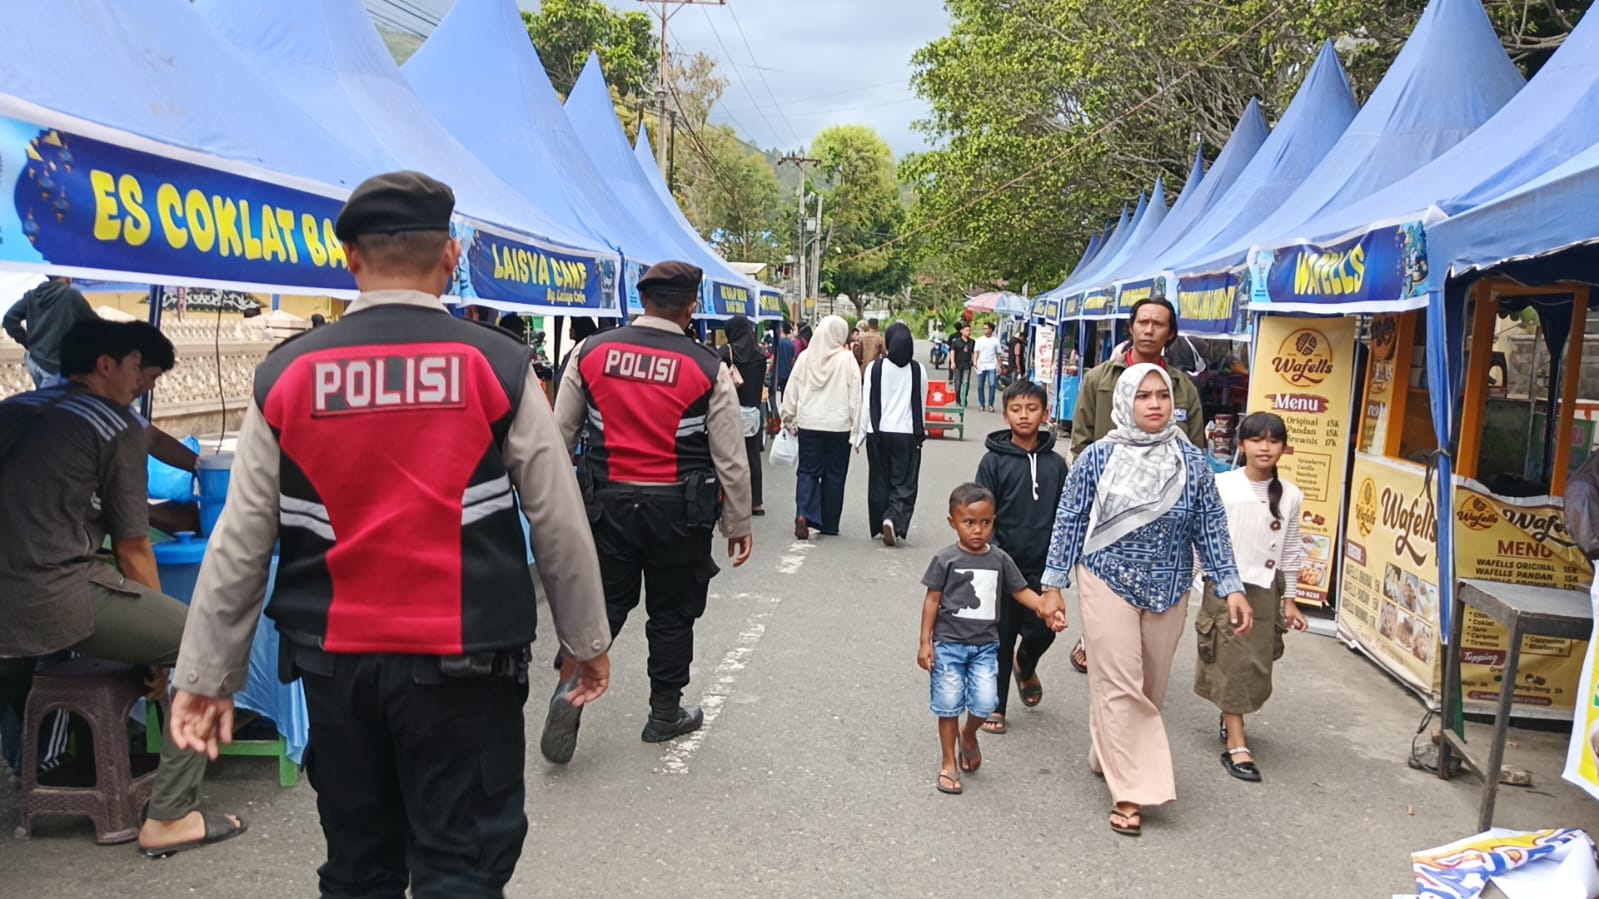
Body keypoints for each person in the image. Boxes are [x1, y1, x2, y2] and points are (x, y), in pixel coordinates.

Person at [169, 172, 614, 895]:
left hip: (335, 669)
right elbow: (557, 521)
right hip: (464, 666)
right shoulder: (496, 365)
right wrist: (586, 643)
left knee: (360, 865)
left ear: (349, 259)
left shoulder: (288, 373)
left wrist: (204, 678)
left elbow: (240, 540)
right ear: (450, 255)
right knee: (461, 866)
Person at [0, 318, 243, 857]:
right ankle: (173, 814)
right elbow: (135, 548)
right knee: (205, 644)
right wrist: (157, 657)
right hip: (49, 595)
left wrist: (199, 463)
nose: (146, 383)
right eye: (140, 369)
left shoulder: (19, 407)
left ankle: (35, 764)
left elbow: (150, 441)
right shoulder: (112, 427)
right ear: (108, 365)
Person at [554, 259, 753, 752]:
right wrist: (738, 523)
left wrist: (560, 513)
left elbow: (558, 435)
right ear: (691, 307)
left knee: (605, 604)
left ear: (642, 301)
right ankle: (664, 714)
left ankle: (571, 686)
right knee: (671, 613)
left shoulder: (589, 352)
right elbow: (731, 457)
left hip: (607, 506)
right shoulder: (708, 367)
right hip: (678, 512)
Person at [1043, 363, 1246, 836]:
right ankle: (1132, 791)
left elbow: (1210, 525)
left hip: (1170, 584)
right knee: (1118, 681)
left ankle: (1110, 751)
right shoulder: (1098, 457)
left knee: (1149, 687)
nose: (1155, 403)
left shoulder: (1192, 462)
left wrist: (1230, 584)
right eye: (1144, 396)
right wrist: (1054, 584)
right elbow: (1070, 519)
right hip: (1105, 575)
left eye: (1163, 395)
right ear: (1126, 403)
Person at [1066, 297, 1206, 675]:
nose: (1149, 330)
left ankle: (1133, 649)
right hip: (1110, 507)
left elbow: (1195, 450)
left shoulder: (1182, 389)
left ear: (1170, 334)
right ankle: (1097, 638)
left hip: (1163, 510)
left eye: (1158, 324)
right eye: (1142, 322)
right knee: (1106, 578)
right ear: (1131, 327)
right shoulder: (1099, 379)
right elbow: (1080, 442)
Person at [918, 483, 1067, 795]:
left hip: (986, 647)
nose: (977, 530)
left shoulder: (999, 559)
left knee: (986, 702)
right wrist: (925, 642)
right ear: (952, 522)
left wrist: (1043, 607)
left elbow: (1020, 590)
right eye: (969, 522)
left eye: (985, 523)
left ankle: (968, 734)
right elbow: (932, 600)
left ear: (994, 521)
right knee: (947, 705)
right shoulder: (946, 559)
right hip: (948, 645)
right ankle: (948, 763)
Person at [1194, 412, 1307, 782]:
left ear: (1284, 448)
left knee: (1256, 664)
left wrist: (1290, 600)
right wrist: (1190, 582)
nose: (1265, 447)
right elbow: (1203, 537)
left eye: (1273, 441)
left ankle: (1232, 716)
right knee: (1231, 661)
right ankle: (1237, 742)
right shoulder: (1222, 485)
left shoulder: (1290, 495)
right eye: (1257, 440)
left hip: (1265, 591)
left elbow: (1290, 551)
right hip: (1226, 589)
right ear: (1241, 445)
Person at [975, 380, 1069, 735]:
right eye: (1017, 409)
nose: (1024, 415)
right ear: (1006, 415)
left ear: (1045, 414)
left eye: (1032, 409)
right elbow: (982, 512)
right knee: (1000, 637)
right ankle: (995, 707)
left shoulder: (1057, 465)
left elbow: (1066, 515)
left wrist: (1062, 564)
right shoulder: (993, 462)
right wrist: (991, 554)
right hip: (1000, 566)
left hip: (1044, 570)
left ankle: (1025, 665)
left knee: (1044, 630)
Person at [781, 315, 861, 539]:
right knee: (834, 474)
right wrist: (857, 431)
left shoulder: (806, 358)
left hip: (809, 424)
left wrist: (788, 418)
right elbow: (855, 395)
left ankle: (803, 513)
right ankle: (829, 523)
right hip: (839, 426)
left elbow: (791, 390)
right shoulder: (846, 359)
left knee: (807, 471)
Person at [857, 322, 925, 546]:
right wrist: (919, 432)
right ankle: (892, 518)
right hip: (906, 433)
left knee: (879, 479)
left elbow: (867, 404)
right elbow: (920, 404)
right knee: (904, 482)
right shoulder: (918, 370)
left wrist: (860, 435)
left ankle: (881, 519)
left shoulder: (874, 368)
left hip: (878, 432)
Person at [4, 275, 98, 387]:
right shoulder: (71, 295)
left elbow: (9, 319)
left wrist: (27, 342)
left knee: (45, 399)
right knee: (53, 402)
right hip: (55, 365)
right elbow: (96, 325)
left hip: (35, 360)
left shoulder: (32, 296)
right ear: (68, 278)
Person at [719, 314, 768, 517]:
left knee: (728, 458)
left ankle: (730, 500)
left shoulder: (726, 351)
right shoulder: (760, 354)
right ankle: (756, 502)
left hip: (729, 410)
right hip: (753, 412)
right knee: (753, 457)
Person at [973, 323, 1002, 412]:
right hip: (981, 365)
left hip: (992, 365)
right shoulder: (979, 340)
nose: (984, 330)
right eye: (983, 328)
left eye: (986, 328)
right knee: (980, 386)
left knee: (992, 385)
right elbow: (976, 352)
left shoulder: (995, 341)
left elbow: (998, 354)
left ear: (991, 330)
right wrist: (975, 361)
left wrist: (1000, 365)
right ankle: (982, 404)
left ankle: (990, 404)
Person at [772, 321, 797, 414]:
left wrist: (768, 370)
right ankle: (784, 413)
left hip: (777, 373)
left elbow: (773, 358)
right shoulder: (791, 344)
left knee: (772, 395)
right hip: (787, 373)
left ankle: (775, 414)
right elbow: (792, 361)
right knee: (784, 395)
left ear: (781, 329)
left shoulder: (778, 342)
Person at [948, 324, 974, 407]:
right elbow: (952, 351)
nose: (968, 332)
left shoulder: (972, 342)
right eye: (966, 330)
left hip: (967, 365)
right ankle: (958, 399)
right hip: (958, 364)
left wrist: (974, 361)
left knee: (966, 383)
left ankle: (964, 398)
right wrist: (952, 362)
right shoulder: (956, 341)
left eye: (969, 330)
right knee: (958, 383)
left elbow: (974, 352)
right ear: (962, 331)